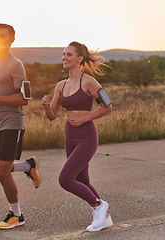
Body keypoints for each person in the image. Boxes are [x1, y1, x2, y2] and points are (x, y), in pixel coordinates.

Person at [41, 41, 113, 232]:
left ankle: (98, 205)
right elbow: (52, 116)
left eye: (69, 55)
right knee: (82, 180)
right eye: (63, 54)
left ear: (79, 59)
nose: (64, 57)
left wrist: (85, 118)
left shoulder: (89, 82)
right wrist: (47, 106)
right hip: (69, 135)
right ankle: (104, 217)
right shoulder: (61, 85)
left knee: (65, 179)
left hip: (86, 136)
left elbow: (108, 106)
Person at [0, 23, 41, 230]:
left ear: (12, 39)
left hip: (12, 123)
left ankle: (17, 215)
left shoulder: (16, 65)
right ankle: (26, 166)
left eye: (3, 36)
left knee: (3, 172)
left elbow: (25, 99)